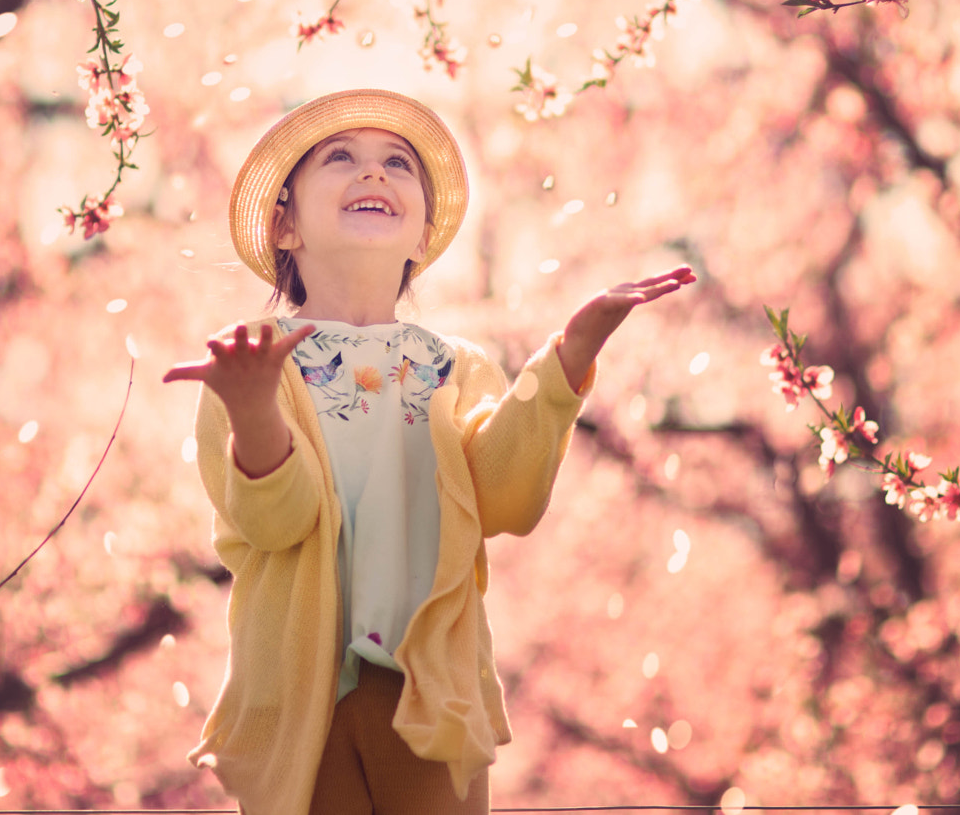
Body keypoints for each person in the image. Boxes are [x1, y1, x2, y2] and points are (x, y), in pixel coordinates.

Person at [163, 88, 695, 815]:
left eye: (398, 164)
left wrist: (566, 361)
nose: (373, 174)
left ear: (421, 234)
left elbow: (502, 496)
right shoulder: (252, 367)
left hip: (428, 690)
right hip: (300, 695)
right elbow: (276, 523)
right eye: (340, 157)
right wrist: (253, 409)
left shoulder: (455, 366)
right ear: (285, 223)